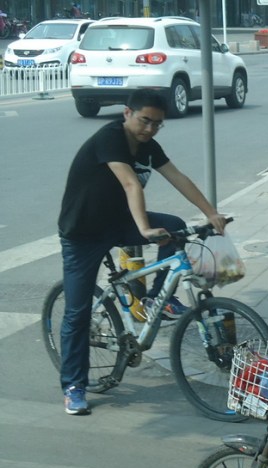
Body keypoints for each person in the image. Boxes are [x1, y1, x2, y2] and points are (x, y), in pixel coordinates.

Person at [57, 89, 228, 415]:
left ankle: (156, 299)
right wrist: (146, 229)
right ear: (127, 113)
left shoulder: (148, 145)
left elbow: (178, 177)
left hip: (118, 223)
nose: (150, 129)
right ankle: (74, 386)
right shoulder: (110, 138)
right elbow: (130, 184)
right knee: (77, 314)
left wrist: (211, 213)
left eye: (157, 124)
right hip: (83, 233)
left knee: (174, 228)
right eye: (144, 120)